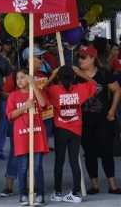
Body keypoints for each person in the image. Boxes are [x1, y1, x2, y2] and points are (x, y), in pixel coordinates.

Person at [0, 47, 49, 198]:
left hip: (37, 135)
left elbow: (43, 104)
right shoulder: (14, 95)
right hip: (21, 136)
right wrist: (26, 107)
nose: (20, 80)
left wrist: (34, 86)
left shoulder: (37, 88)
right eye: (17, 78)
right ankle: (22, 193)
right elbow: (11, 114)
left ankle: (39, 193)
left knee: (37, 166)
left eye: (23, 77)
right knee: (22, 166)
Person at [44, 65, 97, 203]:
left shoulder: (54, 90)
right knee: (74, 162)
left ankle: (57, 193)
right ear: (74, 77)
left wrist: (51, 77)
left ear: (59, 78)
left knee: (59, 162)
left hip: (61, 129)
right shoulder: (80, 88)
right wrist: (80, 73)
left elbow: (42, 92)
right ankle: (76, 193)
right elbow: (94, 84)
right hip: (76, 130)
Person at [76, 46, 121, 195]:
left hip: (104, 120)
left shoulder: (103, 73)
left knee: (106, 152)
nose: (80, 60)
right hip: (84, 121)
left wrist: (112, 110)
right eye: (79, 57)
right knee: (89, 153)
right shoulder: (76, 76)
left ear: (92, 58)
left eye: (84, 57)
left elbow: (117, 90)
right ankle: (94, 185)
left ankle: (112, 185)